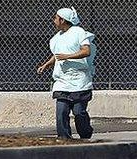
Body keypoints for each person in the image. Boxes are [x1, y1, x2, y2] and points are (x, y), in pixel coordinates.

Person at [36, 8, 96, 140]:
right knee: (61, 112)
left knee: (79, 112)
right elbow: (57, 55)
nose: (54, 21)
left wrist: (68, 56)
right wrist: (46, 65)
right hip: (62, 82)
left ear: (62, 20)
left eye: (56, 18)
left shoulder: (79, 32)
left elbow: (86, 51)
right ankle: (64, 139)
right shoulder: (56, 38)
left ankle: (85, 134)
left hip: (79, 82)